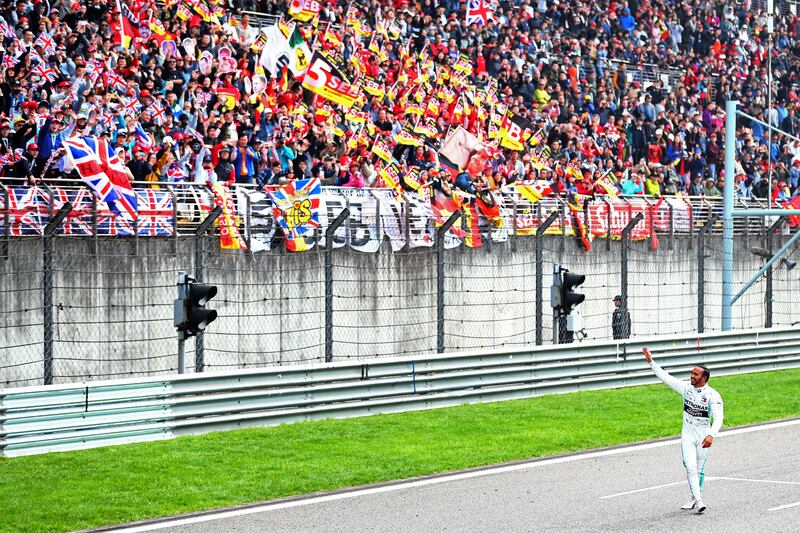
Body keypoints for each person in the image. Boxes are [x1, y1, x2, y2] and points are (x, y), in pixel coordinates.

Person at [642, 347, 724, 514]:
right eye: (691, 373)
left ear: (704, 378)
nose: (692, 376)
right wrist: (651, 361)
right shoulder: (686, 388)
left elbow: (719, 418)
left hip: (703, 437)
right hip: (687, 436)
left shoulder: (713, 395)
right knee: (690, 467)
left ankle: (694, 498)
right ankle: (699, 500)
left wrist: (711, 435)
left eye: (695, 374)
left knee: (699, 469)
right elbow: (666, 378)